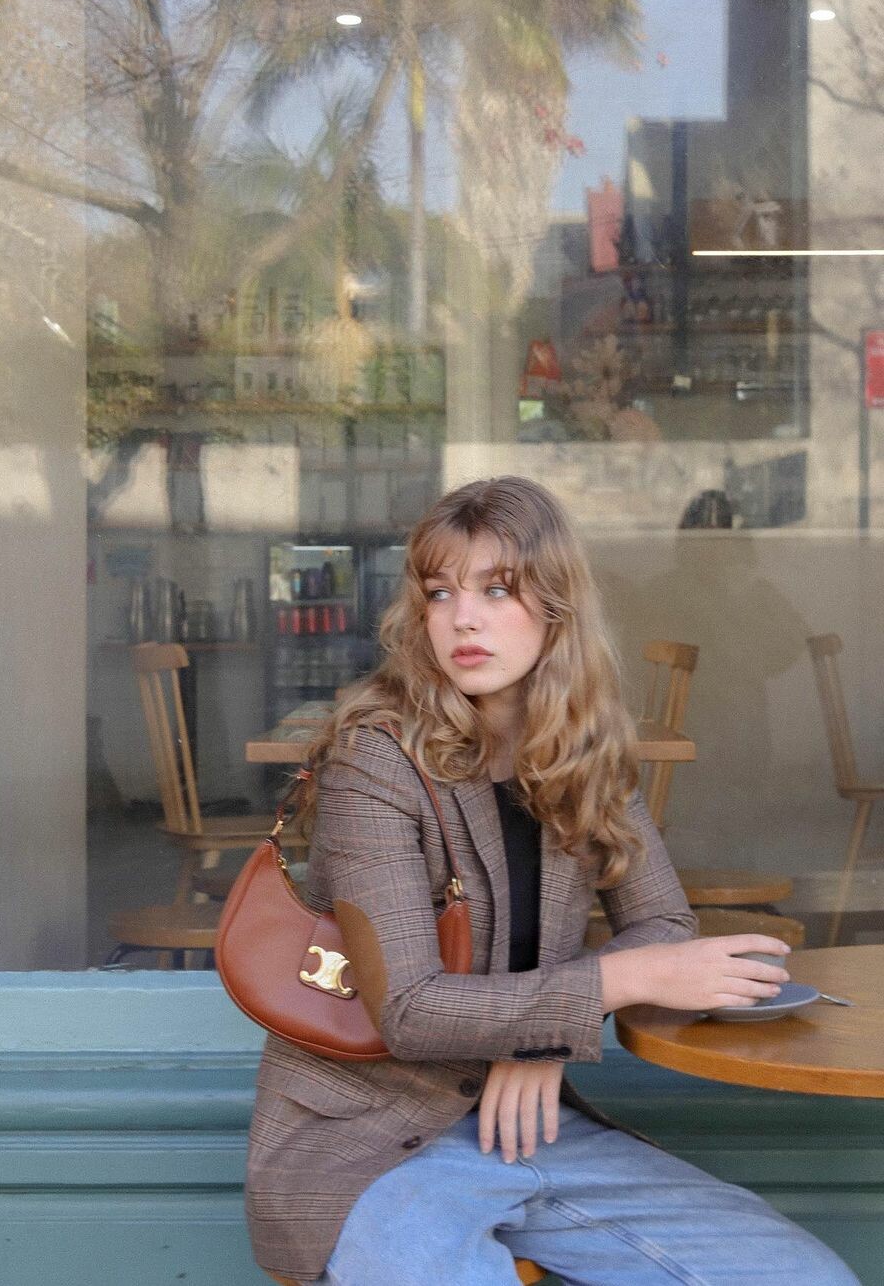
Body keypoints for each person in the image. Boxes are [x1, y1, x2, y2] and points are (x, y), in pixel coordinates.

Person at [244, 476, 859, 1286]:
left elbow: (663, 922)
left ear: (558, 607)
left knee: (804, 1277)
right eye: (440, 593)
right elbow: (410, 1011)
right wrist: (615, 984)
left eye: (497, 590)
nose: (463, 618)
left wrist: (538, 1046)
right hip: (369, 1145)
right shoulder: (375, 758)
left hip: (530, 1126)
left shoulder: (581, 749)